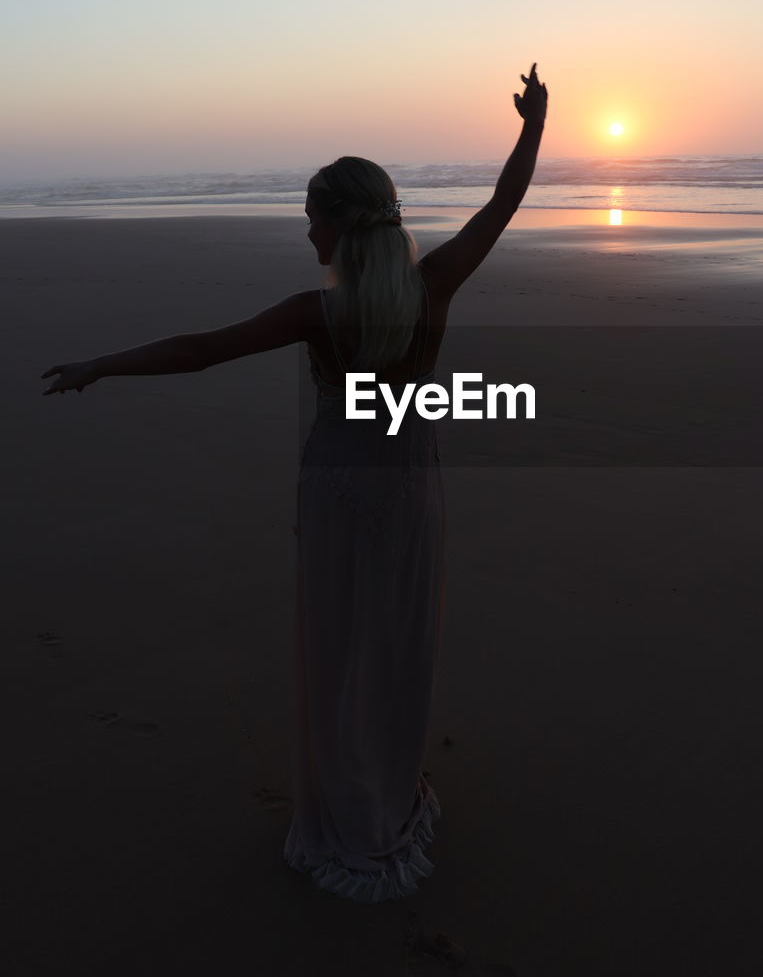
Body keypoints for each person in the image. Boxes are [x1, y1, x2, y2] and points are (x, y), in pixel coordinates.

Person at [41, 63, 548, 902]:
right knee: (395, 643)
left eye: (310, 218)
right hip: (410, 482)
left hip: (341, 486)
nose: (305, 231)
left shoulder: (316, 313)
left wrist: (102, 366)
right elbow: (501, 205)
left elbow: (201, 347)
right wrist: (532, 127)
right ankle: (388, 793)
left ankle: (350, 812)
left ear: (338, 229)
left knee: (341, 648)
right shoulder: (432, 288)